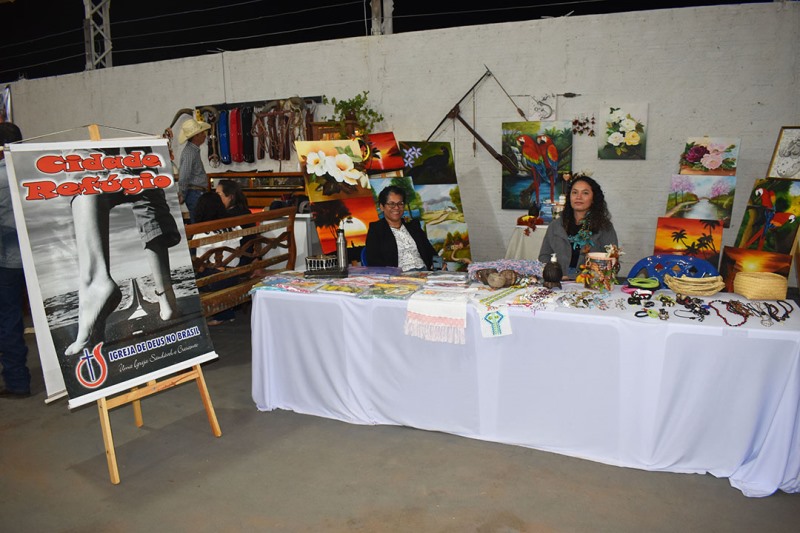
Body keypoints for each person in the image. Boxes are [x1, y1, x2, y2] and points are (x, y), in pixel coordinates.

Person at [66, 147, 182, 356]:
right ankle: (166, 295)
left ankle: (95, 283)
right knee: (144, 181)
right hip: (128, 135)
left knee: (84, 167)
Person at [0, 122, 31, 397]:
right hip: (38, 258)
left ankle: (18, 381)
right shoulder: (31, 170)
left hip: (8, 261)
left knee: (9, 319)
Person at [538, 174, 618, 279]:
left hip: (590, 283)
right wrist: (554, 275)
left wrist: (584, 277)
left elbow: (613, 261)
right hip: (558, 281)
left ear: (593, 198)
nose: (578, 197)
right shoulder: (556, 225)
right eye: (575, 192)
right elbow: (544, 257)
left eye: (585, 193)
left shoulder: (604, 227)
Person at [192, 191, 238, 326]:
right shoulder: (234, 226)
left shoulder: (202, 233)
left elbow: (200, 266)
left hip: (217, 279)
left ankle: (218, 315)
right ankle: (227, 314)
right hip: (236, 271)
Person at [365, 185, 436, 271]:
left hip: (425, 272)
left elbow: (430, 250)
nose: (397, 207)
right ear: (382, 207)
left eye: (400, 203)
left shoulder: (413, 225)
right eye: (391, 204)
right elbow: (374, 261)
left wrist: (438, 264)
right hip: (398, 275)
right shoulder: (376, 229)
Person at [178, 118, 212, 223]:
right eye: (202, 133)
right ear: (196, 136)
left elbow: (184, 175)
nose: (204, 135)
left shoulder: (191, 151)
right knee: (199, 222)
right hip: (195, 193)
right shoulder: (190, 153)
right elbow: (184, 176)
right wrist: (182, 194)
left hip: (196, 192)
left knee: (199, 221)